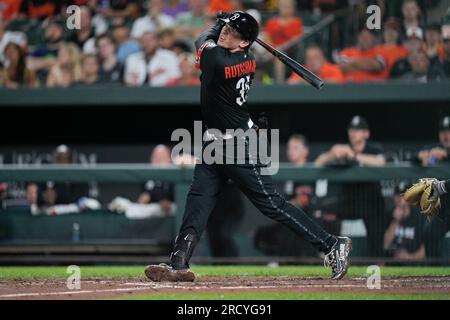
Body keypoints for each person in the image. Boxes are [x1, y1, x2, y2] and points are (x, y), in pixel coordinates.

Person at [144, 11, 351, 282]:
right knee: (198, 202)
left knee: (271, 204)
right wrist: (229, 22)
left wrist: (218, 21)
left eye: (232, 32)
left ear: (243, 43)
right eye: (226, 28)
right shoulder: (247, 58)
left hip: (239, 145)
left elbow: (199, 39)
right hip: (213, 144)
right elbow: (213, 39)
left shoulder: (217, 58)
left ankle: (333, 245)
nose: (225, 33)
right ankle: (178, 263)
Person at [315, 116, 388, 257]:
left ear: (366, 134)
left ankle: (378, 263)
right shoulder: (343, 148)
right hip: (349, 202)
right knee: (323, 209)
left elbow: (381, 162)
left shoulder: (373, 148)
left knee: (376, 247)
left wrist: (354, 156)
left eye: (358, 130)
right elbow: (318, 162)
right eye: (351, 129)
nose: (353, 133)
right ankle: (329, 253)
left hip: (372, 203)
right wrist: (332, 153)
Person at [383, 181, 426, 260]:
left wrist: (409, 257)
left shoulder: (420, 217)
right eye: (398, 195)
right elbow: (384, 244)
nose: (401, 199)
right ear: (394, 198)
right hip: (391, 262)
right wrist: (395, 221)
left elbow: (426, 249)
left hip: (414, 263)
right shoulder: (388, 215)